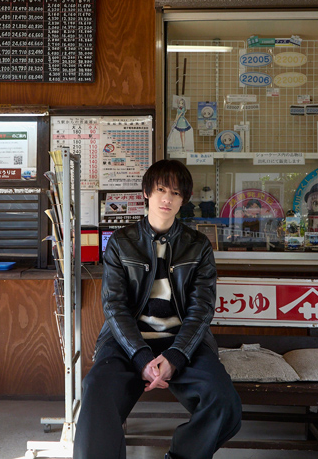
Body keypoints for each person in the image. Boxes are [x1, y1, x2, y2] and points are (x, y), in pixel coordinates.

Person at [74, 159, 242, 459]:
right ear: (146, 193)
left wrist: (176, 355)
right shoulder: (121, 243)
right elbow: (114, 306)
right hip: (129, 342)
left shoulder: (199, 245)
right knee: (96, 389)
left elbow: (202, 309)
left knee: (225, 403)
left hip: (182, 342)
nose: (167, 198)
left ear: (183, 200)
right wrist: (140, 356)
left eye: (176, 193)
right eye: (161, 189)